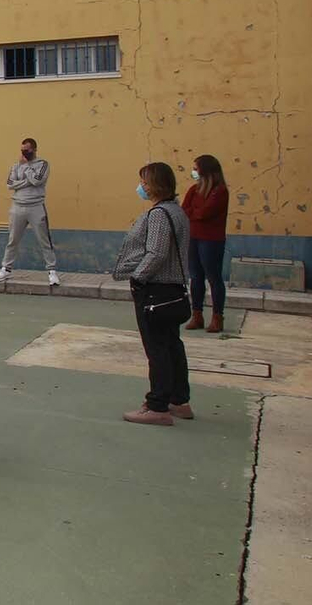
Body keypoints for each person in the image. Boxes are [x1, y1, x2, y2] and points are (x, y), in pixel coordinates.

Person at [112, 162, 194, 426]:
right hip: (173, 289)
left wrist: (138, 277)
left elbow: (156, 252)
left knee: (157, 347)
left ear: (156, 184)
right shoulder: (177, 212)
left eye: (145, 182)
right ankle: (178, 400)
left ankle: (157, 404)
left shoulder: (159, 214)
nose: (142, 187)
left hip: (156, 289)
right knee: (171, 344)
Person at [0, 137, 60, 287]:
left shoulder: (42, 164)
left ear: (34, 149)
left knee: (44, 241)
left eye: (27, 149)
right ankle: (6, 269)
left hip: (36, 206)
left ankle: (52, 272)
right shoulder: (16, 166)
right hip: (17, 207)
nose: (24, 152)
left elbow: (37, 180)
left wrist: (27, 168)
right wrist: (26, 180)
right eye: (22, 149)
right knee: (12, 240)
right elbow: (10, 184)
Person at [182, 154, 229, 333]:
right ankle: (197, 315)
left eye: (196, 168)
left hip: (211, 240)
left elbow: (204, 213)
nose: (193, 172)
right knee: (195, 277)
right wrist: (194, 212)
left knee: (213, 277)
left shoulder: (220, 191)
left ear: (206, 171)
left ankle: (217, 316)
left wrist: (193, 212)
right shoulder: (194, 190)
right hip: (193, 237)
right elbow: (184, 210)